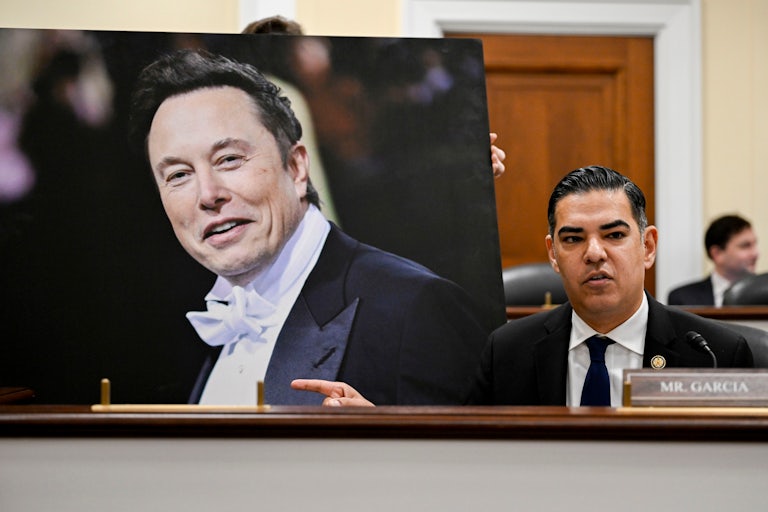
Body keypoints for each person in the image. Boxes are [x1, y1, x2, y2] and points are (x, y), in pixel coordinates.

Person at [128, 48, 499, 406]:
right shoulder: (197, 334)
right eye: (178, 175)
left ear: (296, 167)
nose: (207, 194)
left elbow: (485, 467)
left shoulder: (416, 309)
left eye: (228, 159)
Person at [463, 166, 754, 406]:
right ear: (553, 253)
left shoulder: (714, 354)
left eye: (614, 235)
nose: (594, 253)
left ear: (648, 246)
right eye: (573, 239)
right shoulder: (507, 352)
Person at [668, 214, 759, 306]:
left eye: (754, 244)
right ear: (717, 254)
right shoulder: (683, 298)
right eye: (745, 246)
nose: (755, 253)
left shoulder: (763, 293)